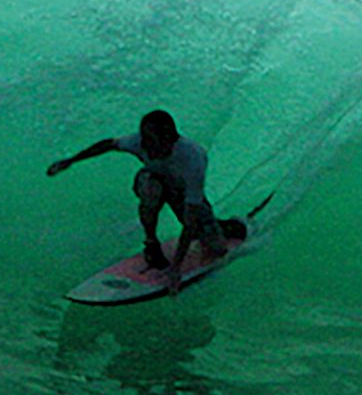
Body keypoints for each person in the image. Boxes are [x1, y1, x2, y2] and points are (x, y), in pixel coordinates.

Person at [47, 107, 232, 276]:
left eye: (150, 141)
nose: (143, 146)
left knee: (216, 249)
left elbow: (190, 220)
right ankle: (151, 244)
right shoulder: (139, 142)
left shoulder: (192, 159)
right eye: (143, 138)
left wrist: (176, 268)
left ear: (168, 139)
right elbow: (108, 144)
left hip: (181, 191)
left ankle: (218, 226)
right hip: (154, 180)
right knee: (151, 188)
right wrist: (70, 160)